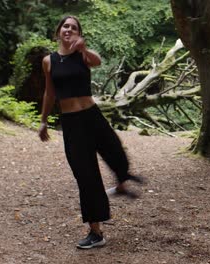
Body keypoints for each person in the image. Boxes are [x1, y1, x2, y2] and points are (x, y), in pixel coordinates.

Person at [38, 15, 144, 249]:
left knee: (115, 151)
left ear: (78, 33)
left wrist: (84, 47)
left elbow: (96, 61)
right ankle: (96, 232)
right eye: (66, 26)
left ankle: (121, 184)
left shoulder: (83, 55)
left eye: (74, 27)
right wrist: (44, 121)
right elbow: (50, 93)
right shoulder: (49, 61)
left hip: (92, 115)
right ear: (59, 31)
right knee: (86, 176)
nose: (69, 29)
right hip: (72, 123)